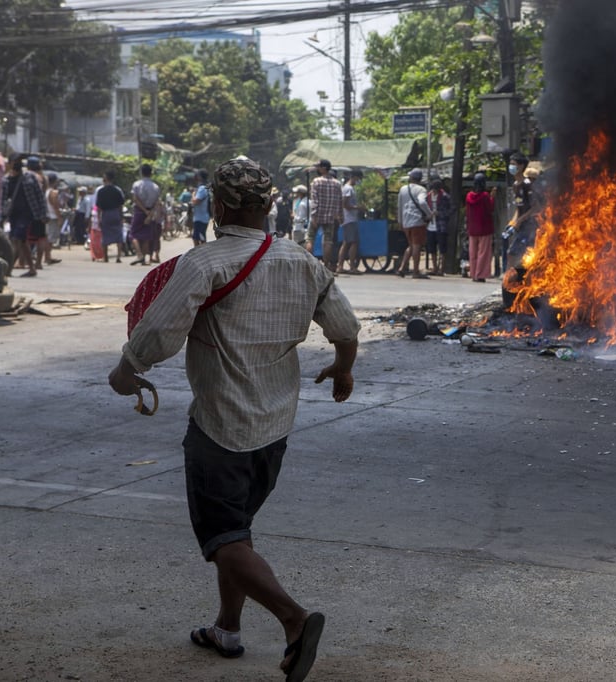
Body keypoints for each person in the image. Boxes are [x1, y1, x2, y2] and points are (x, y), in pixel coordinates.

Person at [108, 156, 359, 682]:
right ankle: (227, 628)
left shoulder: (203, 264)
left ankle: (294, 621)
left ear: (217, 206)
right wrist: (342, 370)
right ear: (269, 206)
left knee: (224, 537)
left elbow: (157, 335)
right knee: (238, 533)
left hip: (220, 427)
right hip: (275, 428)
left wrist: (127, 372)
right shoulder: (302, 260)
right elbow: (345, 328)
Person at [1, 153, 46, 278]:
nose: (17, 163)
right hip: (13, 215)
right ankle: (31, 268)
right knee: (22, 241)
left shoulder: (30, 177)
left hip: (28, 213)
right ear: (9, 163)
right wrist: (2, 215)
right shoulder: (6, 180)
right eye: (15, 161)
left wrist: (43, 213)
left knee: (17, 238)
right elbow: (3, 200)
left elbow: (40, 196)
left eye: (19, 161)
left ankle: (8, 269)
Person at [395, 168, 432, 279]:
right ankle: (415, 271)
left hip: (406, 221)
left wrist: (400, 221)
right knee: (417, 246)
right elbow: (422, 202)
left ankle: (402, 268)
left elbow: (399, 206)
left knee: (411, 246)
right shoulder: (421, 190)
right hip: (417, 221)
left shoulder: (403, 189)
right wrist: (429, 214)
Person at [308, 159, 343, 271]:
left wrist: (313, 216)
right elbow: (339, 201)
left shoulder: (316, 182)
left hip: (317, 216)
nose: (317, 169)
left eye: (319, 167)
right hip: (330, 217)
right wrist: (340, 215)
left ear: (323, 168)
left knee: (310, 239)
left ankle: (308, 265)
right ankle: (326, 265)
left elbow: (315, 201)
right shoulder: (337, 184)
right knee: (328, 241)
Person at [466, 172, 496, 282]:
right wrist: (492, 197)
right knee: (483, 253)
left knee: (473, 252)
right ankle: (481, 274)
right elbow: (490, 209)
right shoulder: (485, 196)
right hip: (484, 227)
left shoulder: (469, 196)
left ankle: (473, 274)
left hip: (472, 228)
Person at [129, 163, 162, 265]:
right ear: (151, 173)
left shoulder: (137, 184)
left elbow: (135, 199)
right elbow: (157, 202)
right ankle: (144, 258)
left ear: (141, 172)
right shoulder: (156, 187)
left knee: (133, 234)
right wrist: (149, 213)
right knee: (146, 235)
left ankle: (139, 255)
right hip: (150, 212)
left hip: (139, 211)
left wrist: (144, 211)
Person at [336, 169, 363, 274]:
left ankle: (341, 266)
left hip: (350, 219)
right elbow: (345, 205)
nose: (359, 181)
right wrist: (358, 208)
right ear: (355, 177)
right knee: (353, 243)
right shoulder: (348, 189)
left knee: (347, 243)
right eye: (359, 179)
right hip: (349, 219)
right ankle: (351, 267)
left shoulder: (349, 188)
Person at [95, 169, 126, 263]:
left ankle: (106, 257)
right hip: (115, 213)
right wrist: (121, 217)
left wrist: (99, 218)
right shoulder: (117, 190)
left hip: (106, 214)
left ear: (106, 178)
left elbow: (99, 207)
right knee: (118, 236)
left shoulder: (101, 191)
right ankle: (118, 257)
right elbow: (121, 205)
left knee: (105, 235)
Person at [425, 176, 451, 276]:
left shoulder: (445, 196)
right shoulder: (427, 197)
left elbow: (450, 210)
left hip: (441, 225)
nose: (434, 192)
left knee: (442, 248)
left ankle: (441, 268)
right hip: (430, 225)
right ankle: (435, 267)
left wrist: (440, 213)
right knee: (431, 248)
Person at [191, 170, 211, 246]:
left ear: (200, 177)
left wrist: (193, 194)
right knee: (200, 238)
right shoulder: (203, 187)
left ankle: (201, 255)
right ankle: (202, 255)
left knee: (198, 238)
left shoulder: (202, 188)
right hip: (201, 217)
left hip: (201, 218)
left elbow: (195, 201)